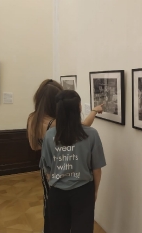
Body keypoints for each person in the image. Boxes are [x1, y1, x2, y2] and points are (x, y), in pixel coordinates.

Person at [27, 79, 103, 233]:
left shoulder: (34, 120)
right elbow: (82, 130)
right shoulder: (58, 126)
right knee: (81, 224)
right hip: (80, 186)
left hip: (55, 178)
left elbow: (35, 147)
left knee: (53, 214)